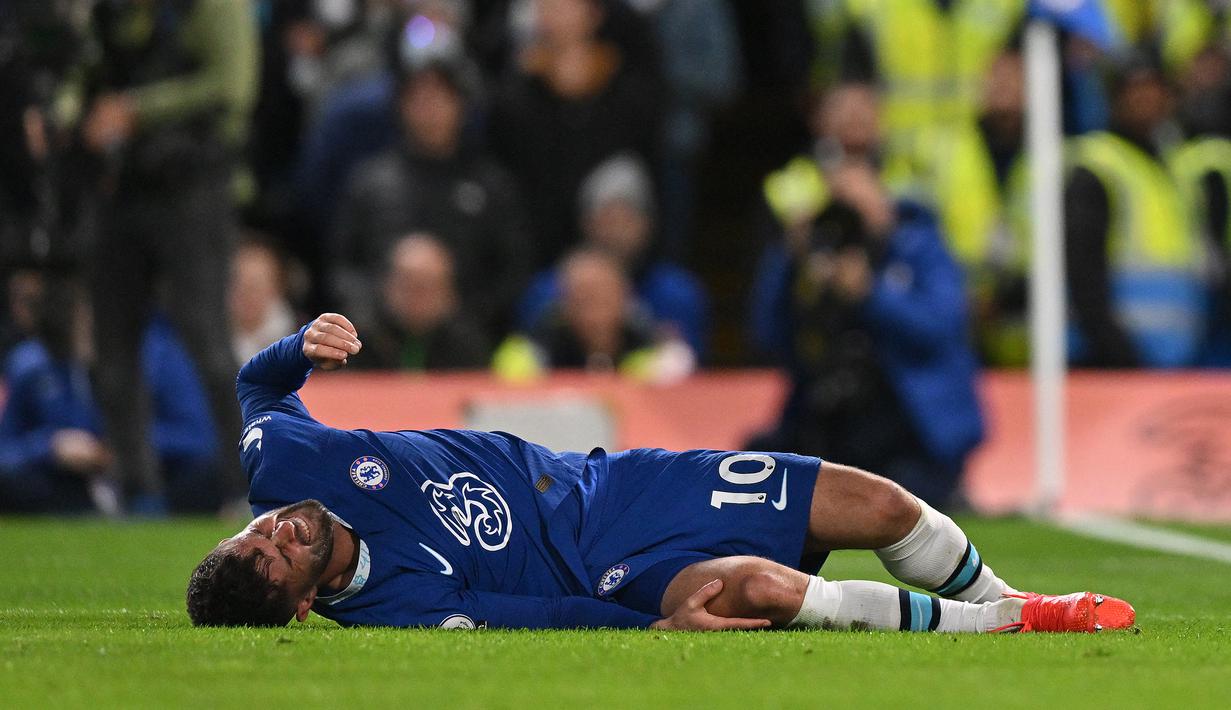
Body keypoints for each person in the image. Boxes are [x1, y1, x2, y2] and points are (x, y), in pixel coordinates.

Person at [186, 312, 1135, 633]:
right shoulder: (395, 604)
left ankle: (1005, 591)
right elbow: (542, 617)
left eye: (257, 533)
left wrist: (298, 344)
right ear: (302, 606)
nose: (280, 531)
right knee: (759, 590)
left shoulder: (288, 460)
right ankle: (1013, 622)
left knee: (878, 504)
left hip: (618, 485)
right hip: (605, 572)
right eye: (276, 560)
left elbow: (256, 384)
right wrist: (654, 620)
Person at [75, 0, 259, 514]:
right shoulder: (109, 15)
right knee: (112, 346)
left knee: (207, 339)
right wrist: (69, 115)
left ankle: (247, 486)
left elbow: (233, 85)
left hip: (193, 188)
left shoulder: (215, 9)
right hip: (120, 189)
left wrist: (135, 110)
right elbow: (82, 78)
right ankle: (137, 490)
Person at [517, 154, 710, 358]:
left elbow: (689, 370)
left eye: (628, 217)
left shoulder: (675, 293)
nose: (617, 230)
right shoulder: (548, 291)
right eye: (608, 216)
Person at [350, 234, 492, 371]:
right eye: (407, 286)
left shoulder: (467, 347)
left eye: (427, 287)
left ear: (449, 292)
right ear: (387, 284)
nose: (416, 298)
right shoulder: (358, 342)